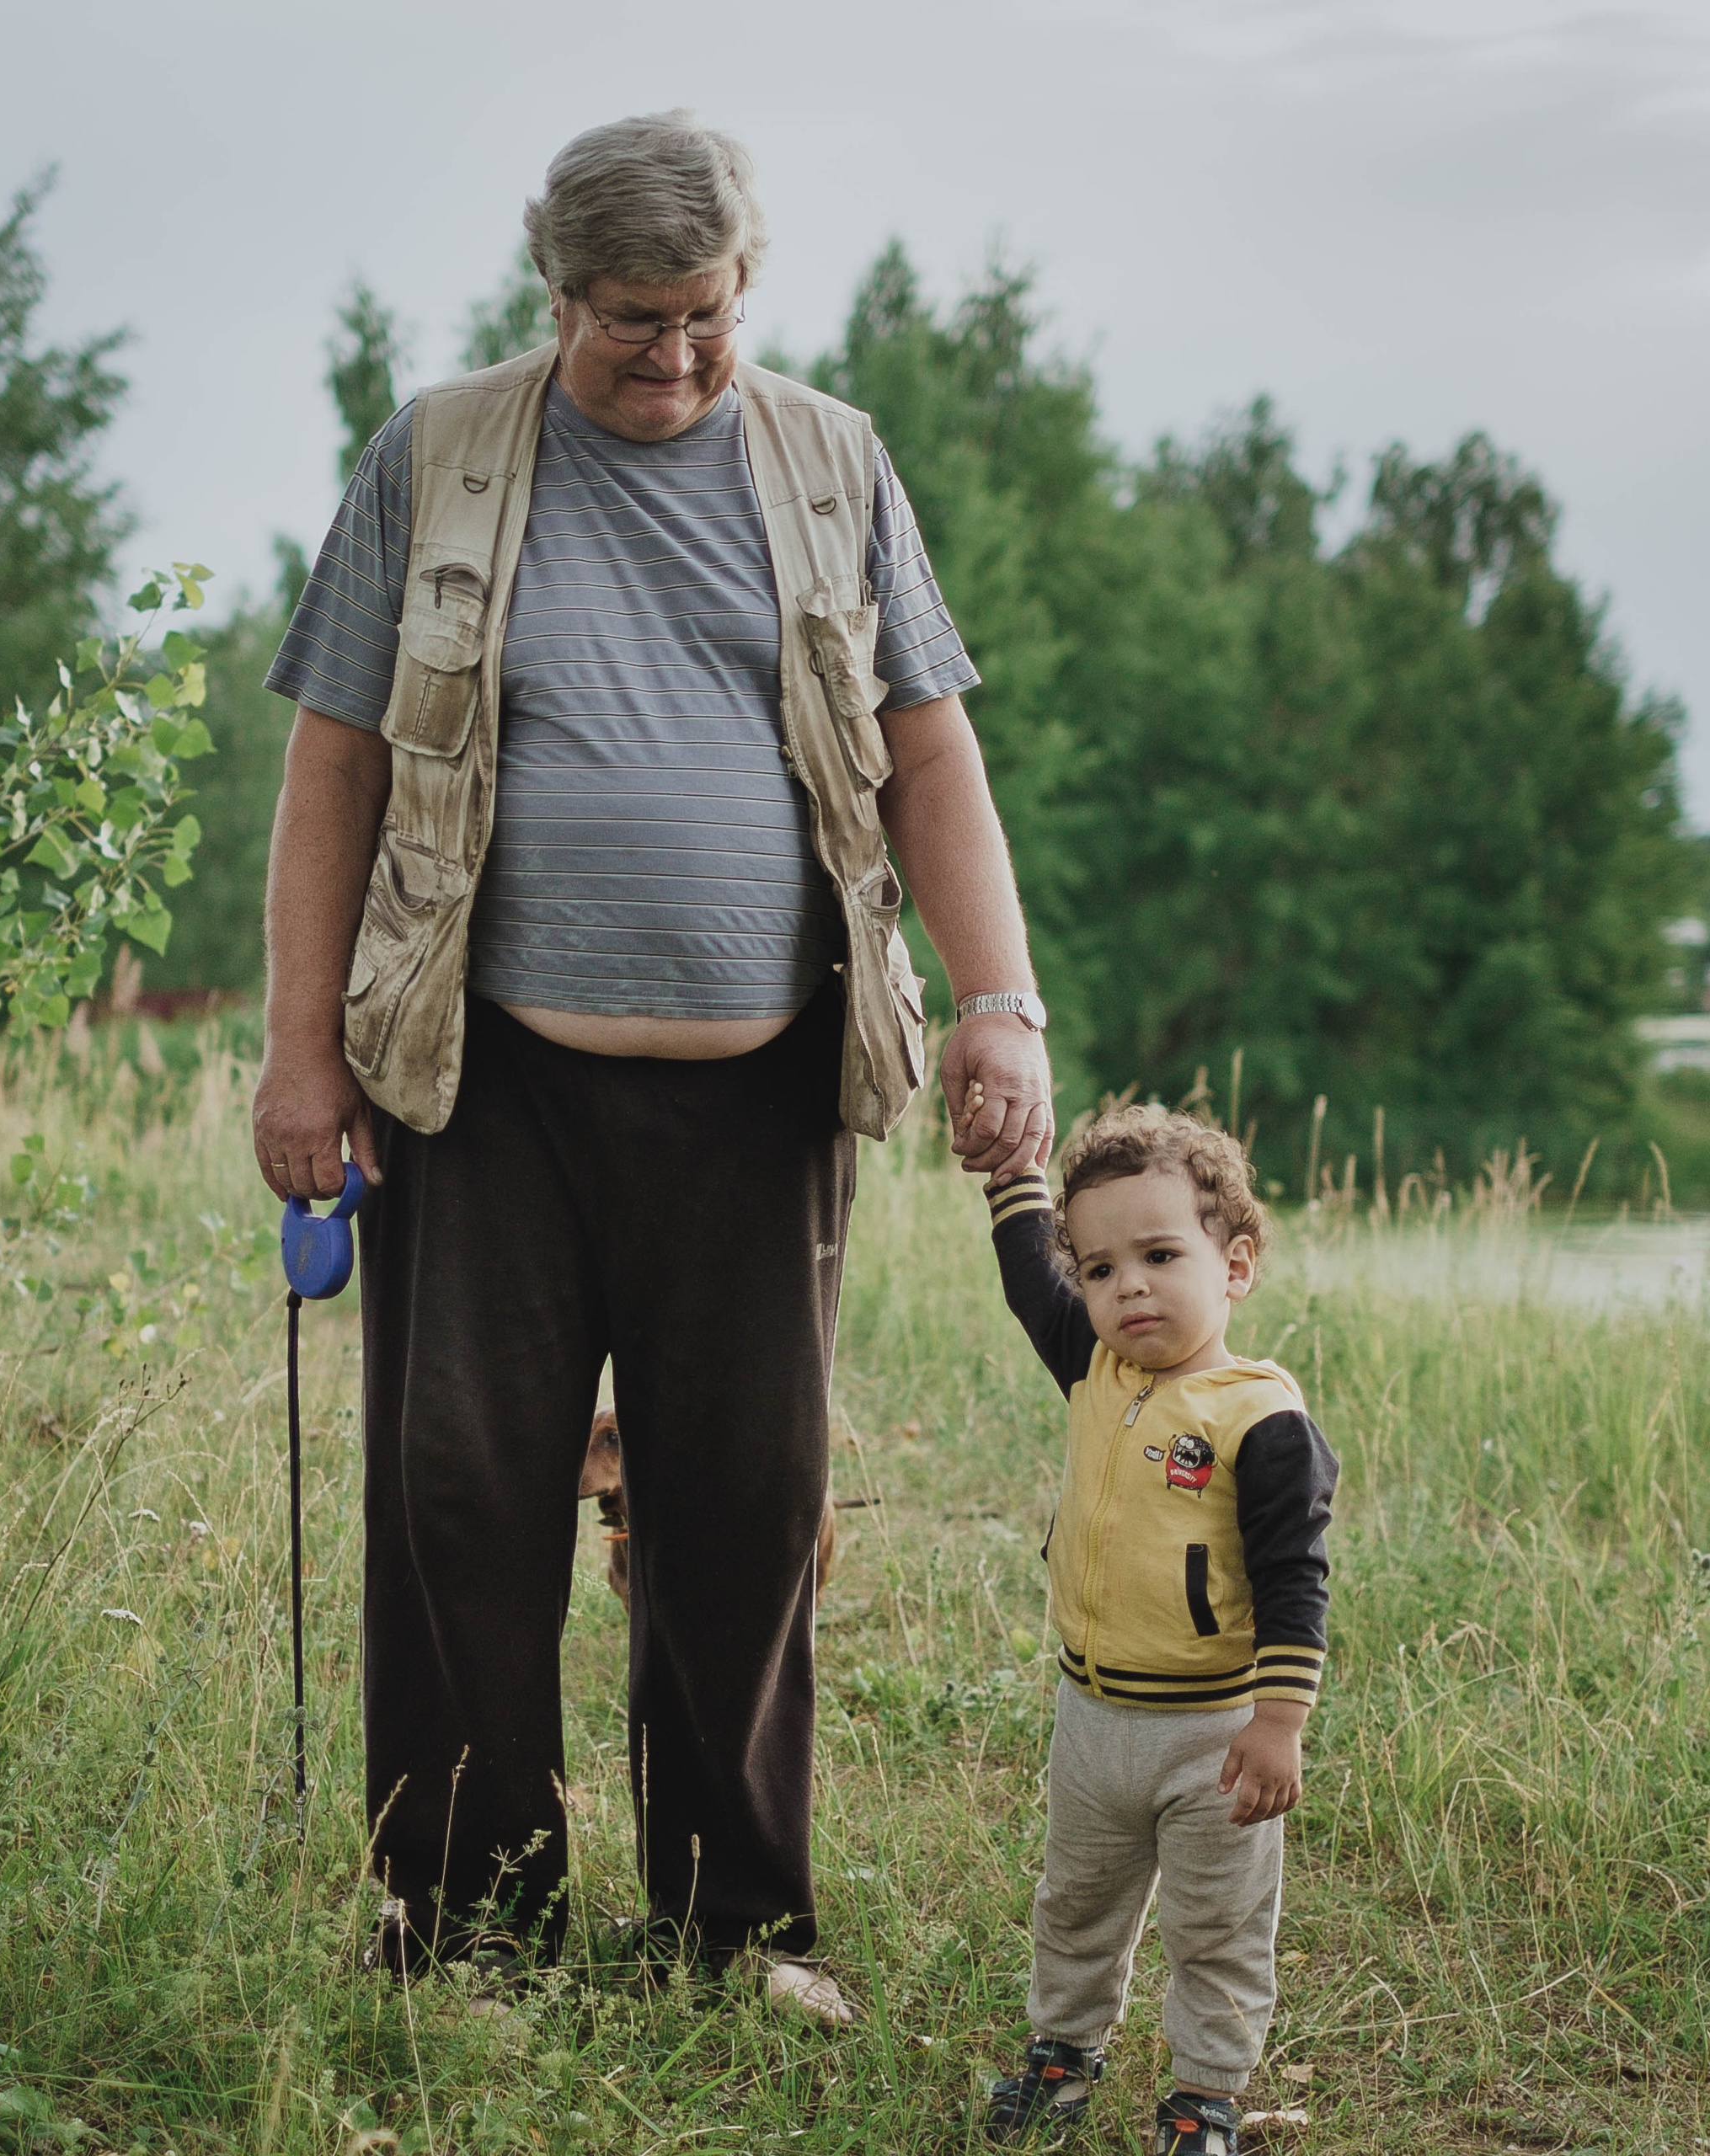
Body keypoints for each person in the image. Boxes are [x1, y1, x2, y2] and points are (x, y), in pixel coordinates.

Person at [251, 109, 1053, 2018]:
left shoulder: (829, 458)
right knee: (458, 1493)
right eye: (631, 319)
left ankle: (737, 1923)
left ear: (743, 288)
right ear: (554, 292)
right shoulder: (435, 456)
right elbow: (335, 766)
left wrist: (997, 1000)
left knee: (743, 1498)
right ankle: (465, 1927)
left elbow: (925, 749)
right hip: (481, 1078)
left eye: (703, 313)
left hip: (762, 1082)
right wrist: (299, 1050)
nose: (674, 354)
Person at [978, 1103, 1338, 2153]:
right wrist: (1011, 1169)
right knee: (1076, 1899)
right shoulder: (1094, 1369)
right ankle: (1062, 2052)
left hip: (1213, 1737)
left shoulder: (1260, 1419)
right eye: (1097, 1268)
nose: (1126, 1284)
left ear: (1234, 1264)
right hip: (1091, 1717)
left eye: (1159, 1253)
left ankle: (1205, 2095)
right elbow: (1020, 1270)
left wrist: (1277, 1722)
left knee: (1215, 1925)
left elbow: (1293, 1581)